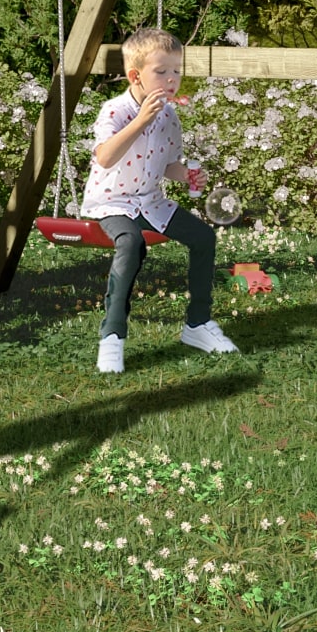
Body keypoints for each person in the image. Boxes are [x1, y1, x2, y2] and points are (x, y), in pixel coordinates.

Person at [82, 26, 235, 374]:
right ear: (135, 76)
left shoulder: (169, 116)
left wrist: (186, 175)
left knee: (203, 238)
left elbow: (167, 165)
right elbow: (105, 157)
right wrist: (140, 120)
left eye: (177, 71)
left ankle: (197, 325)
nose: (172, 79)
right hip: (113, 203)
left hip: (151, 202)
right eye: (162, 71)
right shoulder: (115, 111)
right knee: (132, 243)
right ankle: (112, 336)